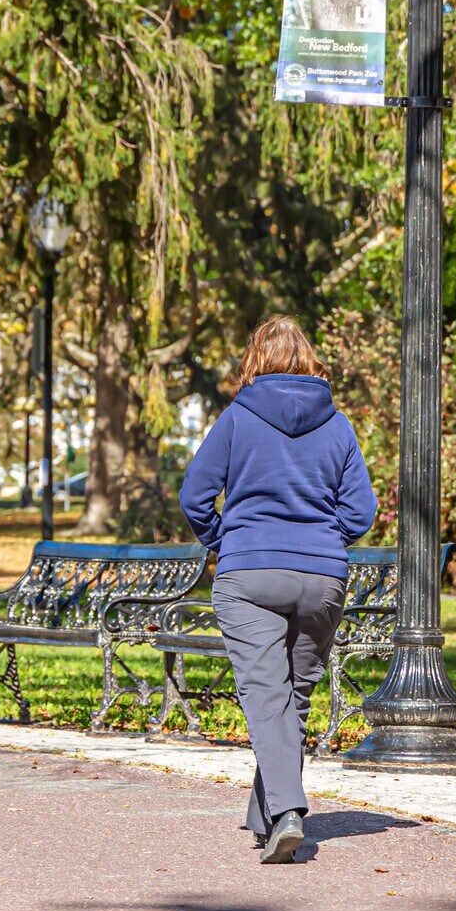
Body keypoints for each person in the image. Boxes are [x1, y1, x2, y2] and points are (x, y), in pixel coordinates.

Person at [178, 316, 376, 864]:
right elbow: (361, 511)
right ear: (310, 360)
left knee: (268, 697)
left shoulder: (238, 416)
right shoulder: (337, 424)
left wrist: (226, 540)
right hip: (322, 578)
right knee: (293, 697)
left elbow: (194, 495)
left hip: (249, 576)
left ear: (254, 358)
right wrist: (324, 540)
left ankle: (288, 814)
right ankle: (267, 816)